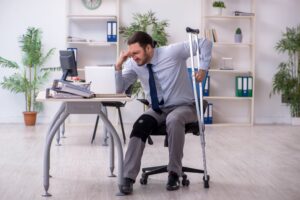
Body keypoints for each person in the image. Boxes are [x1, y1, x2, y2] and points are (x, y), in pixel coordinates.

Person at [115, 31, 212, 194]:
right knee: (140, 124)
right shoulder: (133, 64)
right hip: (158, 109)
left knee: (174, 119)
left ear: (148, 48)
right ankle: (128, 177)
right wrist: (118, 67)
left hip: (186, 106)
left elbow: (205, 43)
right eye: (131, 54)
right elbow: (120, 90)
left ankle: (174, 172)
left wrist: (203, 68)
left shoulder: (172, 52)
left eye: (136, 53)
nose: (133, 57)